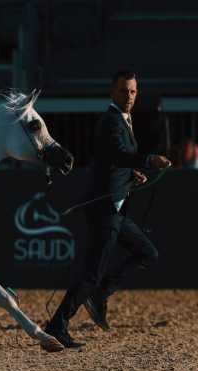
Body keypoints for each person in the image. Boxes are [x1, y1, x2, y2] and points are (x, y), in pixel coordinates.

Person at [44, 70, 172, 348]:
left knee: (147, 252)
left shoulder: (123, 120)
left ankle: (100, 293)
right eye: (124, 91)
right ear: (112, 92)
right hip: (105, 208)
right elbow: (116, 154)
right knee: (91, 273)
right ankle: (58, 324)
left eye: (133, 92)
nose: (129, 96)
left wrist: (131, 174)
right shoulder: (111, 121)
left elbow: (115, 161)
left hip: (117, 208)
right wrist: (148, 160)